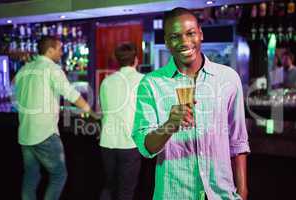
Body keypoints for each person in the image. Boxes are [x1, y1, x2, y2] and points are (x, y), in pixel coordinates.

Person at [132, 7, 250, 200]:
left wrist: (243, 191)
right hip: (175, 194)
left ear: (200, 34)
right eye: (175, 36)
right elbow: (146, 148)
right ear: (167, 42)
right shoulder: (151, 84)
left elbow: (238, 141)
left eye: (190, 33)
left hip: (222, 195)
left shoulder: (228, 78)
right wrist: (170, 125)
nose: (185, 42)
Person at [14, 36, 97, 200]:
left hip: (25, 132)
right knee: (59, 175)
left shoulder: (26, 68)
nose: (61, 52)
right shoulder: (52, 69)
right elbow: (71, 94)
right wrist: (91, 112)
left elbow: (14, 87)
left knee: (31, 175)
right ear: (50, 50)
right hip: (44, 132)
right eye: (59, 49)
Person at [99, 42, 144, 200]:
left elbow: (104, 110)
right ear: (136, 60)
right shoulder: (143, 80)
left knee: (108, 186)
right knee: (126, 191)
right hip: (129, 143)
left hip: (107, 142)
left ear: (118, 61)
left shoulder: (106, 81)